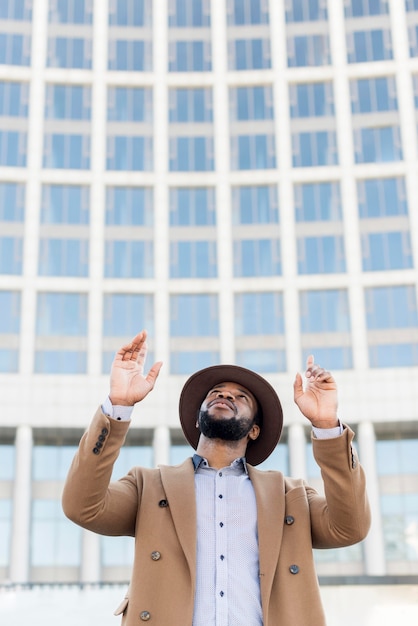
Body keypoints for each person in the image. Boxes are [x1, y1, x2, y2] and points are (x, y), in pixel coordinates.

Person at [62, 330, 370, 626]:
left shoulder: (290, 495)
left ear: (254, 430)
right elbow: (82, 507)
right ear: (197, 420)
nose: (225, 395)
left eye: (240, 396)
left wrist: (327, 425)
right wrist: (119, 405)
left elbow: (350, 527)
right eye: (216, 392)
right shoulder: (148, 486)